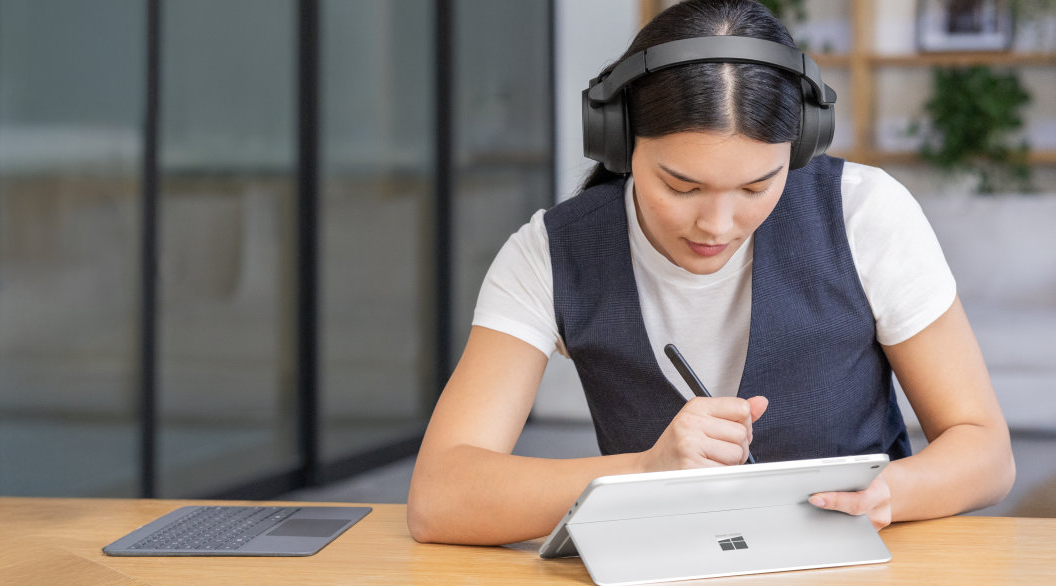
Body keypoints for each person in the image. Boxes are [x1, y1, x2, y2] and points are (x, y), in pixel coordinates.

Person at [407, 0, 1015, 546]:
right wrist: (645, 469)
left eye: (758, 185)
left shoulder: (864, 213)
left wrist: (894, 493)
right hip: (657, 574)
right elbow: (441, 497)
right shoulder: (551, 251)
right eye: (682, 185)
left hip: (858, 575)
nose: (718, 225)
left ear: (800, 149)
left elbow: (985, 451)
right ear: (619, 144)